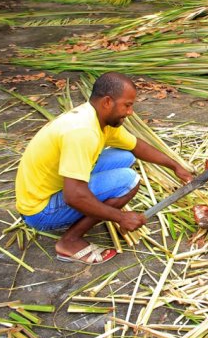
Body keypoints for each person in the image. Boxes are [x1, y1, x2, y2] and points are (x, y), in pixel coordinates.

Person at [15, 72, 193, 265]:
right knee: (128, 180)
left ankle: (90, 215)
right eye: (127, 105)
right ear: (108, 102)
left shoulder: (97, 117)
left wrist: (175, 166)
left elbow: (136, 146)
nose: (130, 112)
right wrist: (121, 217)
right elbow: (73, 195)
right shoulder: (83, 132)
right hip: (39, 211)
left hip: (46, 189)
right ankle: (69, 242)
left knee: (125, 156)